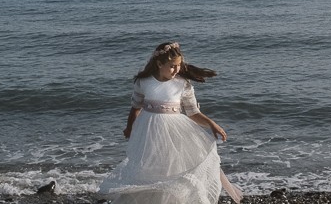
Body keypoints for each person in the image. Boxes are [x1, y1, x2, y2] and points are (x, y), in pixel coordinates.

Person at [98, 42, 242, 204]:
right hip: (148, 130)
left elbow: (193, 112)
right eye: (172, 66)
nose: (177, 70)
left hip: (174, 131)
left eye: (179, 66)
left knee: (172, 167)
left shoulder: (182, 84)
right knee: (148, 167)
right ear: (159, 64)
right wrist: (130, 128)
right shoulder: (143, 82)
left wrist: (211, 124)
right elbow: (135, 108)